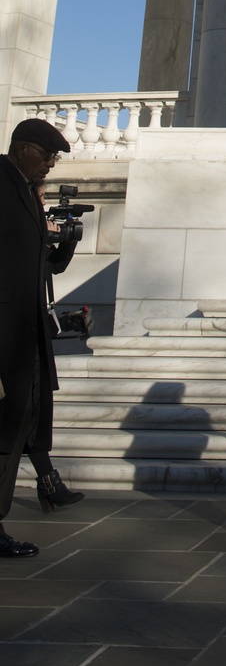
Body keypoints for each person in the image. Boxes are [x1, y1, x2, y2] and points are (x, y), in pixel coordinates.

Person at [0, 117, 73, 559]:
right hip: (5, 340)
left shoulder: (27, 192)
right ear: (23, 148)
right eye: (47, 155)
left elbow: (34, 266)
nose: (50, 164)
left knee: (14, 431)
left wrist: (61, 247)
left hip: (24, 340)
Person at [26, 177, 86, 513]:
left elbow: (55, 266)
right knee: (26, 412)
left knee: (31, 413)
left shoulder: (34, 236)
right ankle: (50, 484)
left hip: (32, 335)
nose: (44, 200)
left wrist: (68, 236)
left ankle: (50, 483)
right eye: (40, 194)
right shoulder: (19, 234)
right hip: (17, 339)